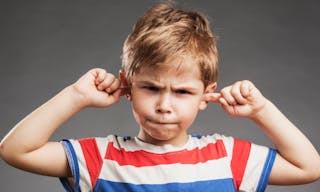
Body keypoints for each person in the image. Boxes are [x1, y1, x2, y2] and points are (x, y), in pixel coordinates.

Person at [1, 2, 320, 192]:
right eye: (151, 88)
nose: (164, 105)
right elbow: (16, 150)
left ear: (206, 95)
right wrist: (75, 95)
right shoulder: (99, 158)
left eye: (182, 92)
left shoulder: (227, 157)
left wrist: (261, 110)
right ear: (127, 86)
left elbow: (309, 167)